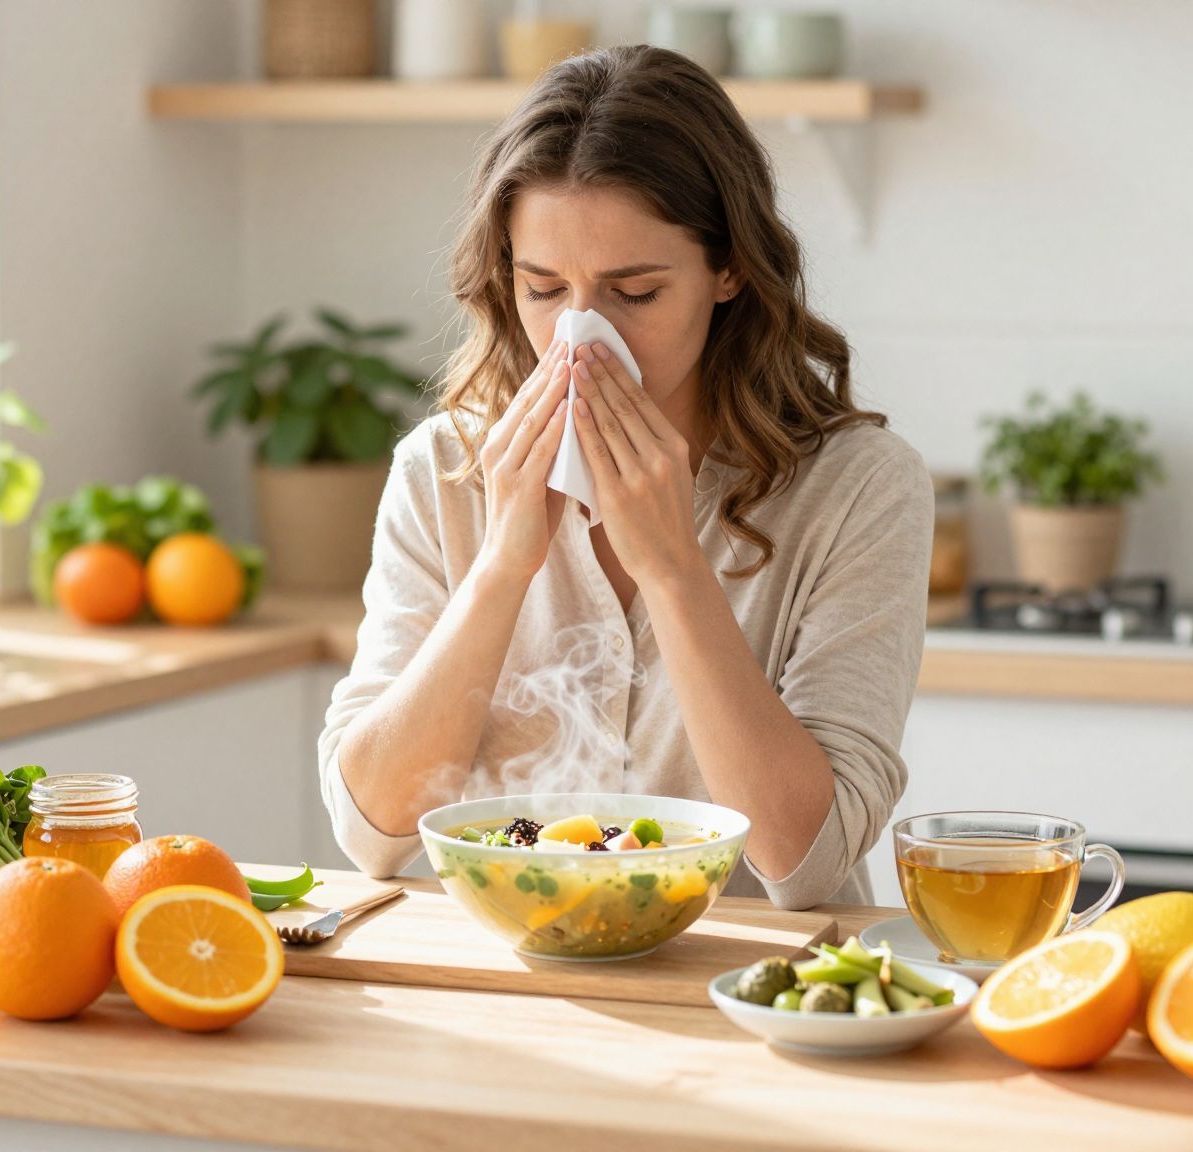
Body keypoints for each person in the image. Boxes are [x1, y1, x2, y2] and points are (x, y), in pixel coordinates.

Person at [318, 45, 932, 909]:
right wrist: (501, 568)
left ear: (729, 271)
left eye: (633, 294)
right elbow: (370, 831)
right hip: (516, 987)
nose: (578, 337)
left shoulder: (859, 491)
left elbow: (807, 862)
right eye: (542, 288)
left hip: (756, 999)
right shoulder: (442, 472)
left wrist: (675, 568)